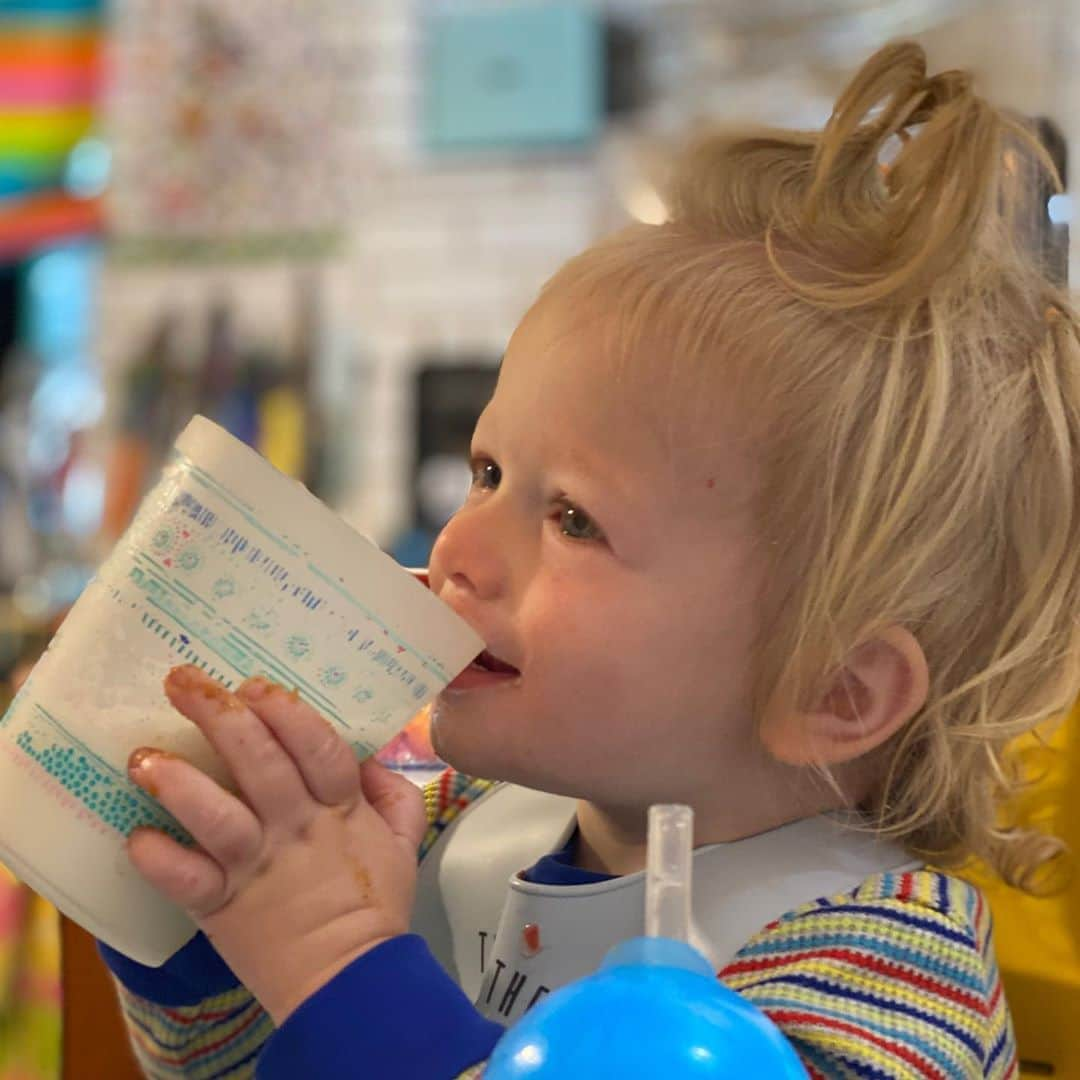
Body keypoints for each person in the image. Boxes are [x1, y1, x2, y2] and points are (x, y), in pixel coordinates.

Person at [98, 42, 1080, 1079]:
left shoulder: (884, 972)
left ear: (833, 685)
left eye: (572, 518)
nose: (458, 549)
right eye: (485, 472)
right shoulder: (447, 830)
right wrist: (202, 921)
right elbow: (239, 1066)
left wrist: (339, 957)